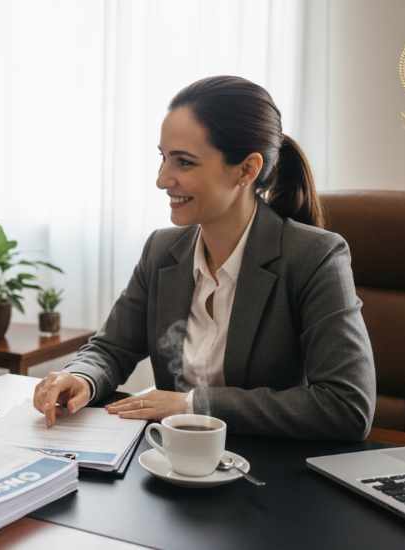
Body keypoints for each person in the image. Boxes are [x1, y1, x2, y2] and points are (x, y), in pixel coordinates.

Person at [33, 76, 376, 441]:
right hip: (174, 466)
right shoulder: (162, 251)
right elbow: (111, 348)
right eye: (163, 158)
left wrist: (192, 405)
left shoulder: (314, 256)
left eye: (184, 162)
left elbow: (346, 406)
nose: (162, 179)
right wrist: (82, 376)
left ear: (247, 169)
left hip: (268, 473)